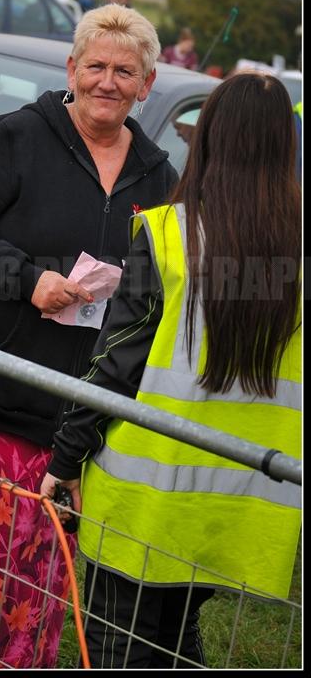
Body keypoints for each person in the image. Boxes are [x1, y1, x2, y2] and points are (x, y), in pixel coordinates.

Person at [0, 4, 178, 668]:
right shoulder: (17, 137)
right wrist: (26, 279)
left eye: (125, 71)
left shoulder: (160, 178)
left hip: (68, 434)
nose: (107, 82)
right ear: (71, 70)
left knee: (26, 609)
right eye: (96, 67)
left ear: (147, 85)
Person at [40, 72, 302, 668]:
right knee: (178, 634)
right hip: (240, 494)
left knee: (116, 640)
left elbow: (117, 362)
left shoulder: (170, 234)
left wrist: (65, 458)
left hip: (145, 489)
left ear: (206, 139)